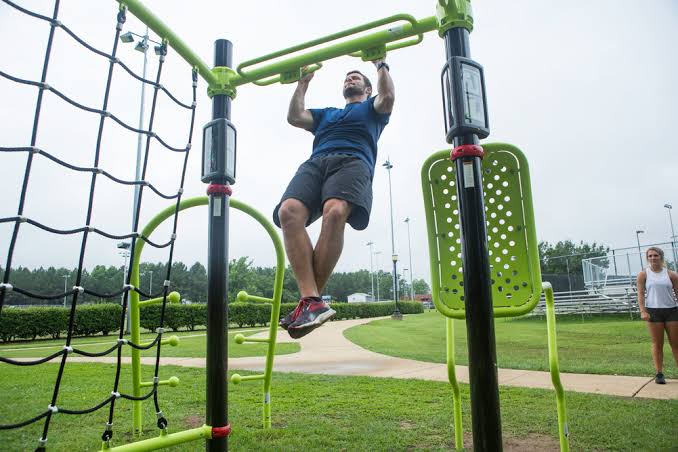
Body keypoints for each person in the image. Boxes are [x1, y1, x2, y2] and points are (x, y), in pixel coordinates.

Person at [273, 57, 395, 339]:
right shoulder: (327, 114)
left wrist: (380, 64)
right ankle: (313, 301)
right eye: (347, 78)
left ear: (366, 89)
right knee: (288, 212)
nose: (349, 80)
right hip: (317, 162)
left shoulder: (371, 108)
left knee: (335, 211)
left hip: (353, 161)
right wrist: (302, 84)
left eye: (355, 78)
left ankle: (309, 302)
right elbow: (295, 117)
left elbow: (387, 97)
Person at [636, 246, 678, 384]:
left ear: (661, 257)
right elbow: (641, 293)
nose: (653, 258)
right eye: (650, 256)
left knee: (675, 344)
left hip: (672, 311)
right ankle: (659, 373)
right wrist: (643, 310)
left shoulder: (671, 274)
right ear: (647, 258)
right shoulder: (644, 274)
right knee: (657, 344)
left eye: (655, 255)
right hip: (653, 312)